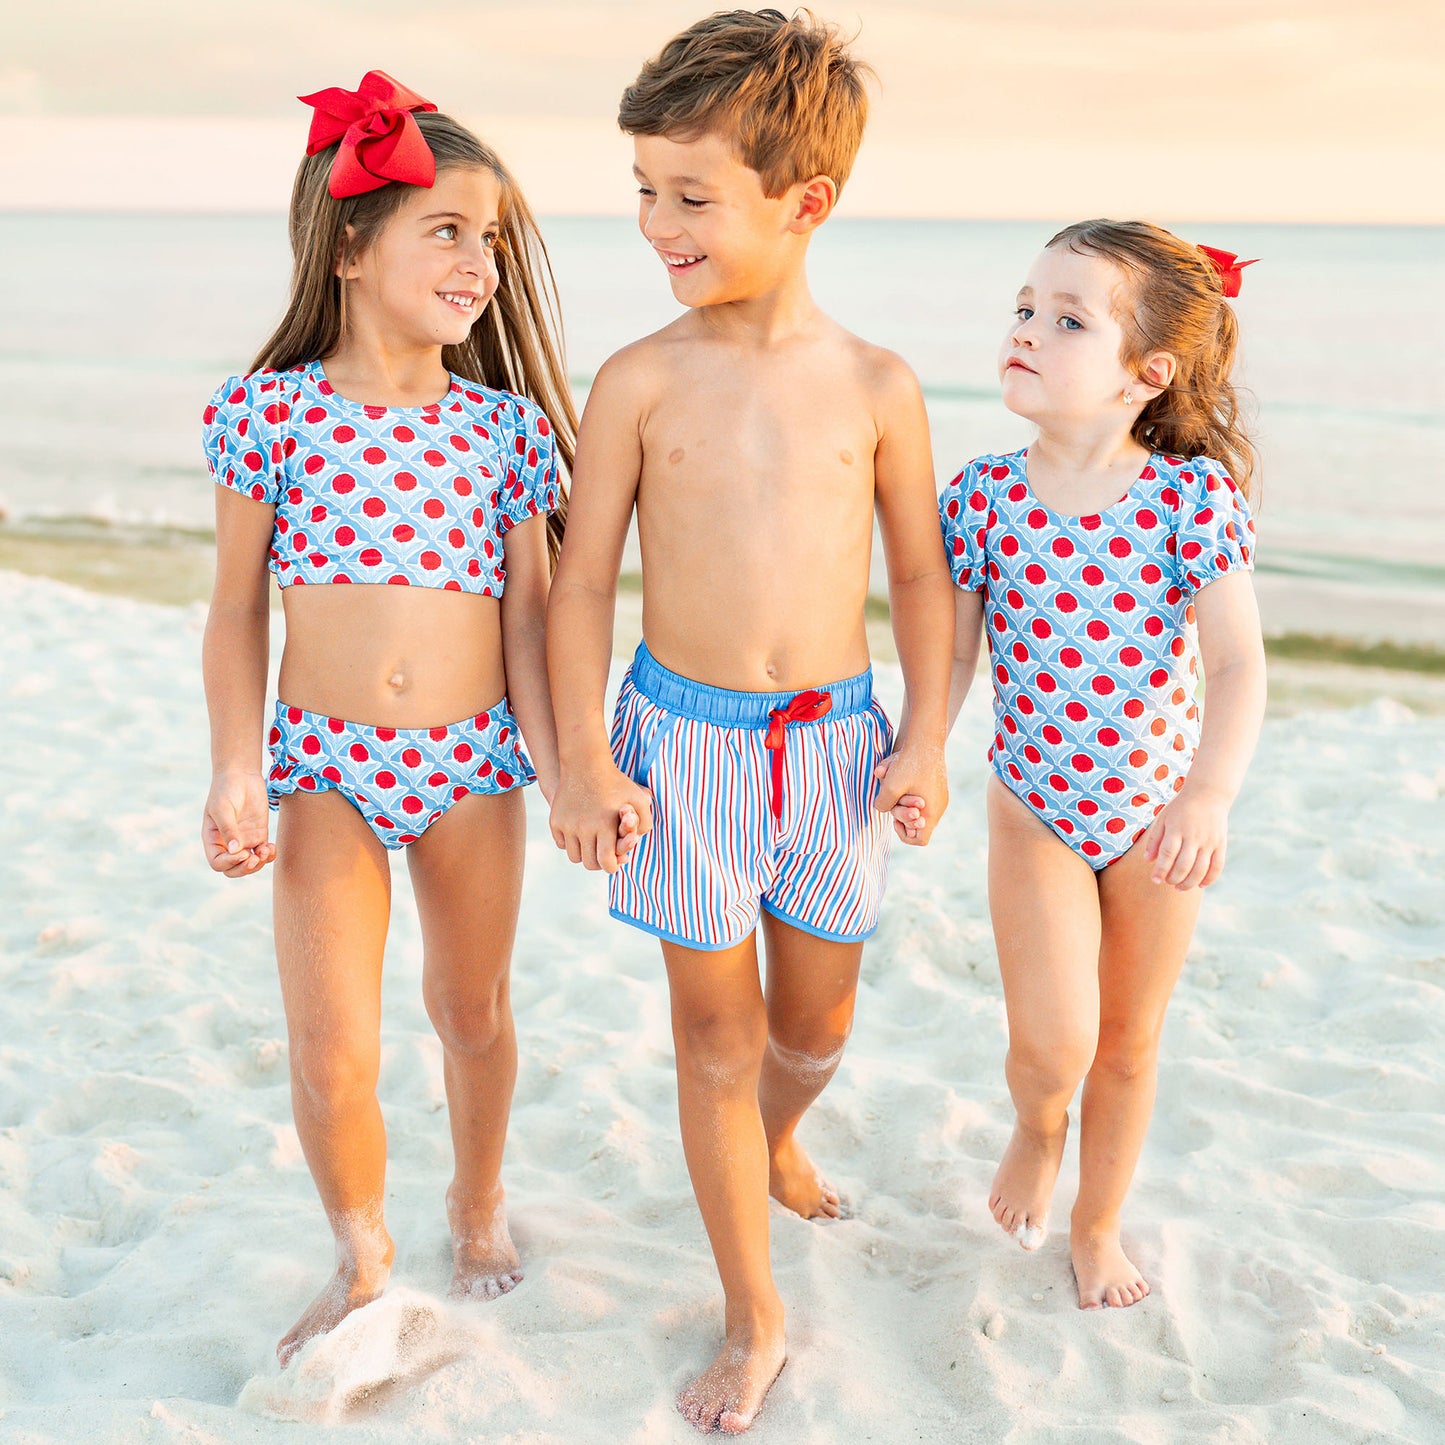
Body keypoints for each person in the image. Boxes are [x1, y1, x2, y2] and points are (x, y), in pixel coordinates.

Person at [547, 10, 953, 1433]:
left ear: (805, 203)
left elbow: (917, 575)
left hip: (837, 746)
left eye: (691, 197)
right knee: (711, 1040)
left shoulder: (877, 385)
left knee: (813, 1024)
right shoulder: (639, 381)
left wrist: (924, 735)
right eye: (645, 192)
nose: (658, 222)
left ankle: (779, 1135)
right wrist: (585, 756)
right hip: (681, 750)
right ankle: (753, 1309)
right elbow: (583, 578)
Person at [200, 71, 572, 1365]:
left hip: (472, 763)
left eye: (493, 238)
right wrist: (234, 771)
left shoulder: (507, 433)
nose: (479, 261)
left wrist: (565, 768)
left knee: (470, 1009)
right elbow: (237, 611)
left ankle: (477, 1200)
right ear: (351, 248)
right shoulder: (273, 414)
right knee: (329, 1039)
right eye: (449, 230)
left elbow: (531, 621)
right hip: (323, 769)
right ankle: (361, 1249)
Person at [940, 220, 1266, 1309]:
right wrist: (916, 752)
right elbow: (950, 654)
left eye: (1067, 319)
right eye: (1023, 308)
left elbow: (1232, 666)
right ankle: (1037, 1127)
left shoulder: (1187, 500)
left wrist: (1207, 793)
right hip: (1033, 805)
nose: (1026, 330)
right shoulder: (982, 496)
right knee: (1053, 1043)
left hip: (1154, 813)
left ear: (1145, 375)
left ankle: (1096, 1224)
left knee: (1125, 1042)